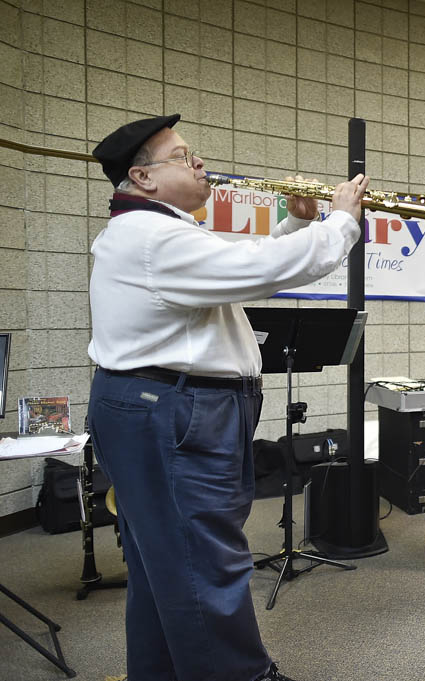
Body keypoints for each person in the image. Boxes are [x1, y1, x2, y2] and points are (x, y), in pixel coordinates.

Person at [87, 113, 369, 681]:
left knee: (164, 566)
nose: (199, 163)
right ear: (142, 177)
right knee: (201, 565)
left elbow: (234, 266)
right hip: (171, 412)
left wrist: (295, 223)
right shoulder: (150, 238)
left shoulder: (161, 231)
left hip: (168, 408)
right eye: (183, 156)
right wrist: (341, 220)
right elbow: (255, 268)